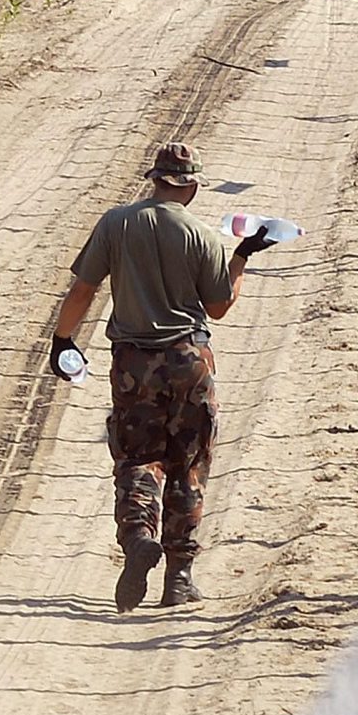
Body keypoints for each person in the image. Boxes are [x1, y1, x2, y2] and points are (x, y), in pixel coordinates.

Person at [49, 144, 276, 610]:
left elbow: (83, 288)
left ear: (154, 180)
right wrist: (243, 257)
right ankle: (179, 577)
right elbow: (219, 306)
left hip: (133, 362)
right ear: (191, 185)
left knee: (137, 458)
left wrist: (62, 340)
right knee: (188, 463)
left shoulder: (116, 223)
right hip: (190, 359)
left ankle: (137, 539)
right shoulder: (202, 235)